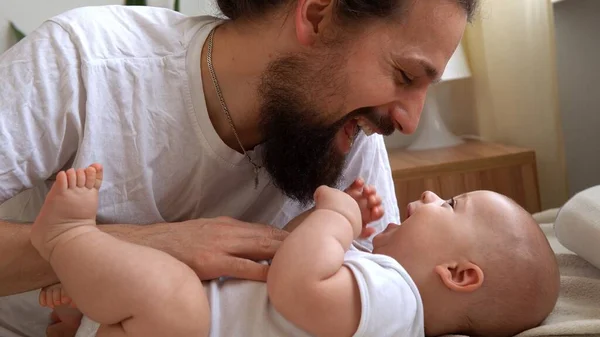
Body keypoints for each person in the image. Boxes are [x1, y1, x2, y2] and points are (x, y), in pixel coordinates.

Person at [0, 0, 478, 335]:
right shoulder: (85, 61)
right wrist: (144, 249)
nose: (410, 120)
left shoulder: (346, 134)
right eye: (406, 76)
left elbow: (378, 300)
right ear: (317, 15)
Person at [33, 164, 559, 337]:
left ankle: (64, 239)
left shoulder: (399, 303)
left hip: (190, 327)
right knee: (167, 286)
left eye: (449, 203)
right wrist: (328, 225)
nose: (425, 196)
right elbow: (293, 254)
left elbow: (294, 285)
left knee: (172, 290)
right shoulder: (374, 287)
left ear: (458, 274)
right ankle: (81, 302)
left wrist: (337, 216)